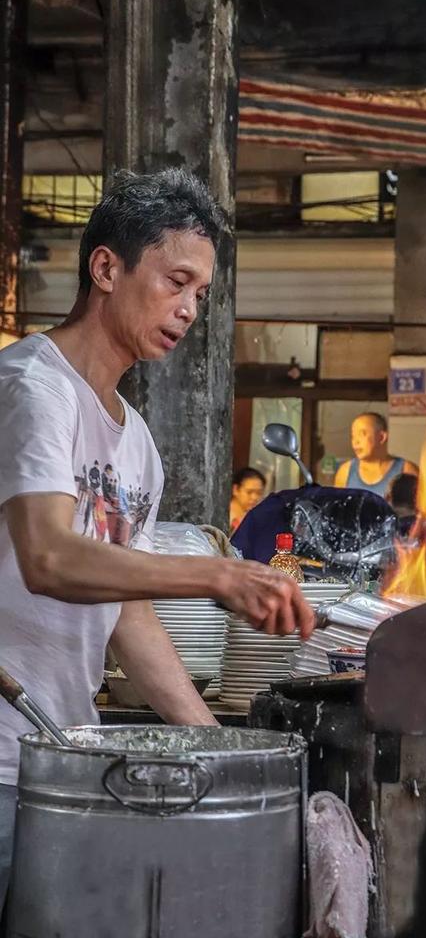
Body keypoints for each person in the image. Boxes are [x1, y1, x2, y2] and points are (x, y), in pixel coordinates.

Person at [0, 168, 314, 909]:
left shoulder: (134, 441)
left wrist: (214, 750)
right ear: (106, 267)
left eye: (200, 295)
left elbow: (126, 611)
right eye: (176, 282)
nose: (188, 310)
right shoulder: (30, 389)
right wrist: (217, 577)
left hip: (56, 764)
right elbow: (46, 558)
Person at [334, 412, 418, 497]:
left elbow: (425, 508)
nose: (356, 441)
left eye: (362, 434)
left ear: (382, 437)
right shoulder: (345, 472)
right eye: (353, 436)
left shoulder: (406, 470)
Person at [229, 467, 266, 533]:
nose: (254, 497)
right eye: (249, 492)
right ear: (235, 489)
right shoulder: (221, 515)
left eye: (259, 493)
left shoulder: (258, 519)